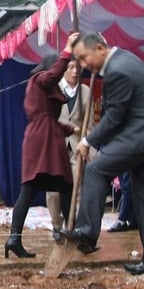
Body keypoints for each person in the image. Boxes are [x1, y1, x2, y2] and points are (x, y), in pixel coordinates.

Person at [60, 32, 144, 276]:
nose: (84, 66)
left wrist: (88, 140)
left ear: (100, 48)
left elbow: (114, 118)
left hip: (138, 139)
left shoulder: (117, 71)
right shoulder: (129, 59)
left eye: (85, 58)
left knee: (95, 170)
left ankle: (87, 231)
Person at [6, 34, 82, 260]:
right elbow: (52, 76)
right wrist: (67, 51)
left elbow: (49, 119)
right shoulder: (40, 80)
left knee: (34, 190)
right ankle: (70, 234)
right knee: (63, 186)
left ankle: (14, 238)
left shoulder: (41, 89)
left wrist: (69, 130)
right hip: (44, 142)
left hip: (43, 137)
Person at [47, 58, 95, 236]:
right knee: (53, 191)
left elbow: (90, 124)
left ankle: (72, 225)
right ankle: (57, 224)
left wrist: (90, 147)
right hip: (56, 145)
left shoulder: (85, 91)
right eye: (70, 67)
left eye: (77, 68)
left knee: (76, 187)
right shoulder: (53, 89)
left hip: (76, 146)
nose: (75, 72)